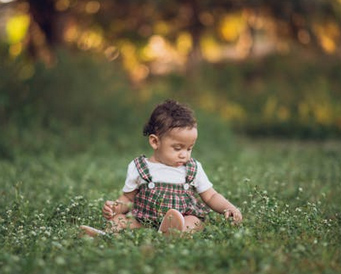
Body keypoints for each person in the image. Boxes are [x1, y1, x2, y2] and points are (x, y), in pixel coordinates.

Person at [80, 99, 242, 237]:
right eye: (178, 148)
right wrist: (115, 207)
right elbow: (128, 199)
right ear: (155, 142)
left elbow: (211, 196)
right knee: (119, 220)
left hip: (183, 218)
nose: (184, 155)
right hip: (146, 221)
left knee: (193, 222)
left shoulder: (192, 168)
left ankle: (174, 233)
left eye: (189, 148)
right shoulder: (140, 167)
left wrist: (229, 208)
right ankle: (105, 235)